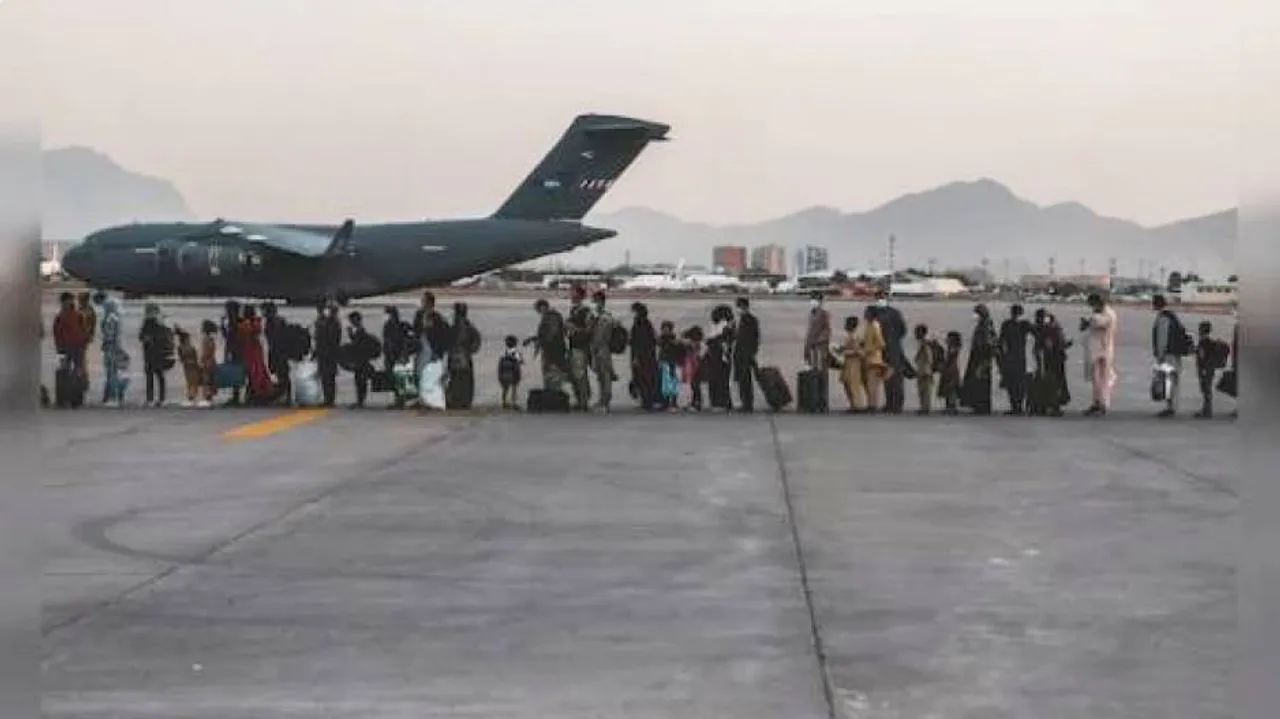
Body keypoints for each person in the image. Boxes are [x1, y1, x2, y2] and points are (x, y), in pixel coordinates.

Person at [411, 291, 451, 411]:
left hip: (432, 349)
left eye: (424, 301)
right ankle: (422, 399)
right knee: (419, 373)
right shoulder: (419, 315)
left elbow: (442, 335)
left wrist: (439, 351)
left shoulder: (437, 317)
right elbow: (416, 330)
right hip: (422, 348)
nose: (422, 303)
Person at [1151, 294, 1188, 418]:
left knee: (1169, 380)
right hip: (1175, 353)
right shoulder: (1172, 316)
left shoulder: (1163, 318)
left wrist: (1160, 355)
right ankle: (1173, 405)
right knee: (1174, 379)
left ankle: (1170, 407)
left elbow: (1162, 338)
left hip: (1168, 354)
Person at [1030, 310, 1071, 417]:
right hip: (1054, 359)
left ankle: (1049, 405)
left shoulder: (1048, 329)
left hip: (1052, 359)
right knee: (1054, 382)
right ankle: (1051, 405)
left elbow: (1046, 344)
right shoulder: (1052, 328)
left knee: (1052, 382)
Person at [1083, 293, 1118, 416]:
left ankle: (1101, 403)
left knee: (1102, 378)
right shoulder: (1105, 313)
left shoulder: (1107, 314)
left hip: (1102, 349)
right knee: (1097, 378)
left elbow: (1098, 322)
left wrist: (1089, 321)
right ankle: (1097, 402)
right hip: (1100, 349)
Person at [876, 295, 910, 413]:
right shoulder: (878, 313)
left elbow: (902, 330)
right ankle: (890, 403)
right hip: (885, 348)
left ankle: (897, 404)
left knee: (896, 377)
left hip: (892, 348)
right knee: (888, 377)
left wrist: (892, 340)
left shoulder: (891, 313)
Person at [961, 304, 997, 415]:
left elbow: (986, 342)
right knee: (980, 381)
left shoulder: (985, 325)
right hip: (981, 356)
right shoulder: (986, 324)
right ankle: (980, 404)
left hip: (982, 357)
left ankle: (981, 405)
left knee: (980, 381)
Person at [997, 304, 1034, 415]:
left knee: (1012, 383)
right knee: (1018, 383)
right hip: (1020, 357)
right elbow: (1037, 333)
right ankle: (1018, 406)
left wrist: (1001, 357)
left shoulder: (1007, 324)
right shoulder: (1024, 324)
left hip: (1010, 356)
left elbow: (1001, 341)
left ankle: (1015, 406)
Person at [528, 298, 569, 391]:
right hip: (552, 351)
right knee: (551, 376)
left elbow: (552, 335)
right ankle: (551, 397)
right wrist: (535, 339)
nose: (538, 312)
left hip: (553, 353)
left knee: (553, 376)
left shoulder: (551, 317)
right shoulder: (550, 316)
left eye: (538, 310)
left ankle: (553, 398)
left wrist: (542, 342)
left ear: (543, 307)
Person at [138, 303, 174, 407]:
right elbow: (141, 336)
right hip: (154, 354)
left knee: (154, 376)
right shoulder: (158, 323)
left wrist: (149, 339)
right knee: (157, 376)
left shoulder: (154, 324)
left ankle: (153, 399)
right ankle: (158, 398)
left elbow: (142, 337)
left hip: (154, 353)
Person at [446, 302, 480, 409]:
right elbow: (476, 340)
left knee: (457, 378)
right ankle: (463, 401)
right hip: (464, 356)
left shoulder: (458, 325)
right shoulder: (468, 325)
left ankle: (457, 400)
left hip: (459, 356)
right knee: (463, 379)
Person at [345, 310, 382, 408]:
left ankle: (360, 401)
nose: (351, 322)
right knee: (360, 380)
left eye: (352, 320)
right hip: (362, 360)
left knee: (360, 380)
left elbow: (357, 345)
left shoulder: (360, 331)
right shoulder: (359, 331)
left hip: (361, 360)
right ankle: (360, 400)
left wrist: (351, 336)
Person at [565, 284, 594, 411]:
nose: (570, 295)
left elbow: (589, 329)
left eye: (573, 293)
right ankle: (580, 399)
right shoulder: (574, 310)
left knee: (580, 375)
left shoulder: (585, 311)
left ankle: (583, 401)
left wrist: (574, 329)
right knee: (575, 375)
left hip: (581, 347)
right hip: (573, 345)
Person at [1194, 320, 1229, 419]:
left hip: (1205, 369)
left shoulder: (1203, 342)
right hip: (1210, 368)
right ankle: (1207, 409)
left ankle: (1207, 410)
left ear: (1200, 330)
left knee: (1206, 390)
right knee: (1207, 390)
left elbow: (1202, 355)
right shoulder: (1210, 342)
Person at [98, 296, 129, 407]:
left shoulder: (110, 319)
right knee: (115, 373)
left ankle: (112, 396)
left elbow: (109, 336)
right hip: (116, 348)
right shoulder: (117, 318)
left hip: (112, 349)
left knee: (111, 373)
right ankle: (114, 395)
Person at [239, 305, 273, 404]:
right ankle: (258, 393)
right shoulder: (255, 323)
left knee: (254, 374)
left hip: (250, 351)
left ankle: (256, 394)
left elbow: (245, 334)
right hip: (254, 351)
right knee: (257, 373)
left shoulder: (247, 324)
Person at [628, 302, 660, 410]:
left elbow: (638, 342)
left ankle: (647, 401)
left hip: (641, 355)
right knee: (648, 378)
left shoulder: (639, 323)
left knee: (643, 378)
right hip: (649, 355)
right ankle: (648, 400)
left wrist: (636, 357)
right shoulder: (647, 323)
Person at [732, 297, 761, 412]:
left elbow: (755, 338)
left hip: (746, 354)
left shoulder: (751, 320)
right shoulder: (740, 320)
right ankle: (744, 402)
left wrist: (752, 353)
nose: (738, 309)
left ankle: (748, 404)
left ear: (744, 306)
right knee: (741, 379)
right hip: (739, 353)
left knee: (745, 379)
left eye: (739, 306)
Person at [52, 292, 88, 382]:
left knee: (79, 369)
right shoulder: (59, 317)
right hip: (65, 347)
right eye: (68, 301)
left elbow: (83, 329)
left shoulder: (78, 315)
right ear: (63, 302)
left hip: (78, 346)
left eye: (71, 300)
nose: (71, 303)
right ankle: (66, 389)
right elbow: (56, 333)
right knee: (64, 369)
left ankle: (78, 389)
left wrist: (84, 343)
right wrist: (59, 348)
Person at [705, 305, 735, 412]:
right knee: (722, 381)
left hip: (719, 358)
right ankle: (725, 402)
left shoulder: (725, 327)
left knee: (719, 381)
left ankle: (719, 403)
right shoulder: (724, 326)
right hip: (719, 357)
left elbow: (718, 341)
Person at [382, 306, 412, 409]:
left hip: (395, 356)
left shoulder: (391, 326)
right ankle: (400, 400)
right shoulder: (402, 325)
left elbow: (388, 342)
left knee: (398, 379)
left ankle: (400, 401)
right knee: (399, 379)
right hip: (398, 356)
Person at [313, 304, 343, 407]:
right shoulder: (329, 321)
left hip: (328, 354)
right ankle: (328, 398)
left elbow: (326, 337)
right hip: (327, 353)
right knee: (326, 377)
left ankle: (329, 399)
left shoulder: (333, 322)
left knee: (328, 377)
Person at [861, 305, 889, 412]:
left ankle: (873, 405)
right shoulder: (868, 326)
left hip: (874, 359)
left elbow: (880, 343)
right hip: (868, 358)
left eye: (867, 312)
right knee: (868, 383)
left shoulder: (874, 326)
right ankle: (870, 403)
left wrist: (869, 349)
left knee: (873, 384)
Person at [262, 302, 291, 404]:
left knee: (281, 373)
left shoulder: (272, 322)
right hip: (278, 350)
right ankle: (285, 395)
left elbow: (273, 337)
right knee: (281, 373)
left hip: (277, 351)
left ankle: (285, 395)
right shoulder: (277, 321)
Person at [838, 316, 868, 413]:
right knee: (847, 383)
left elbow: (859, 351)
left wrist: (845, 352)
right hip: (848, 362)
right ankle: (853, 405)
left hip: (854, 362)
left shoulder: (855, 336)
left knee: (853, 384)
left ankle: (857, 405)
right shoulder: (851, 335)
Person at [220, 300, 245, 406]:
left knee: (235, 372)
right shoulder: (238, 321)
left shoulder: (234, 322)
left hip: (236, 350)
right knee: (237, 373)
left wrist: (222, 326)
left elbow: (229, 337)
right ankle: (237, 396)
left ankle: (236, 397)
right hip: (238, 349)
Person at [657, 320, 684, 411]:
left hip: (672, 363)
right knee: (664, 384)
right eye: (664, 329)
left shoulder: (674, 340)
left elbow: (676, 352)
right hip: (664, 363)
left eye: (667, 329)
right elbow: (661, 353)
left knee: (672, 383)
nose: (665, 330)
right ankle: (665, 402)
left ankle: (673, 402)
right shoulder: (661, 340)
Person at [912, 324, 938, 415]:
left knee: (926, 391)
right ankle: (923, 407)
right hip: (922, 370)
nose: (915, 335)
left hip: (925, 371)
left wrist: (927, 368)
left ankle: (926, 408)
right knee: (922, 391)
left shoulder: (925, 344)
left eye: (916, 332)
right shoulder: (922, 343)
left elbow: (929, 357)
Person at [938, 331, 963, 415]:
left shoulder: (954, 349)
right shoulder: (950, 349)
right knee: (948, 390)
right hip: (949, 371)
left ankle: (952, 407)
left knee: (951, 390)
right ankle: (949, 406)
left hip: (952, 371)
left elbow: (951, 360)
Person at [681, 325, 706, 411]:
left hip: (696, 367)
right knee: (695, 385)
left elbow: (699, 355)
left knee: (695, 385)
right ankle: (695, 401)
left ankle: (697, 402)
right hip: (695, 367)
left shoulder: (697, 345)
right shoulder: (698, 344)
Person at [176, 328, 202, 407]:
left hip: (189, 366)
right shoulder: (188, 347)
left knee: (191, 382)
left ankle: (191, 397)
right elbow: (194, 357)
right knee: (193, 382)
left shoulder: (181, 347)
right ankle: (192, 397)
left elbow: (182, 358)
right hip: (190, 366)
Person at [498, 335, 524, 410]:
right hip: (513, 372)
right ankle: (514, 403)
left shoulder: (503, 354)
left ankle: (504, 402)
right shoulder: (516, 353)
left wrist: (500, 375)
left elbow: (500, 365)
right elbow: (521, 361)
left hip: (504, 373)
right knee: (514, 388)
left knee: (505, 388)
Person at [199, 320, 218, 406]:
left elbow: (206, 352)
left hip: (207, 362)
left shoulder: (205, 339)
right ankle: (210, 398)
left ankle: (207, 397)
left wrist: (201, 360)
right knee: (211, 380)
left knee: (206, 381)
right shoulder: (211, 339)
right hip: (212, 361)